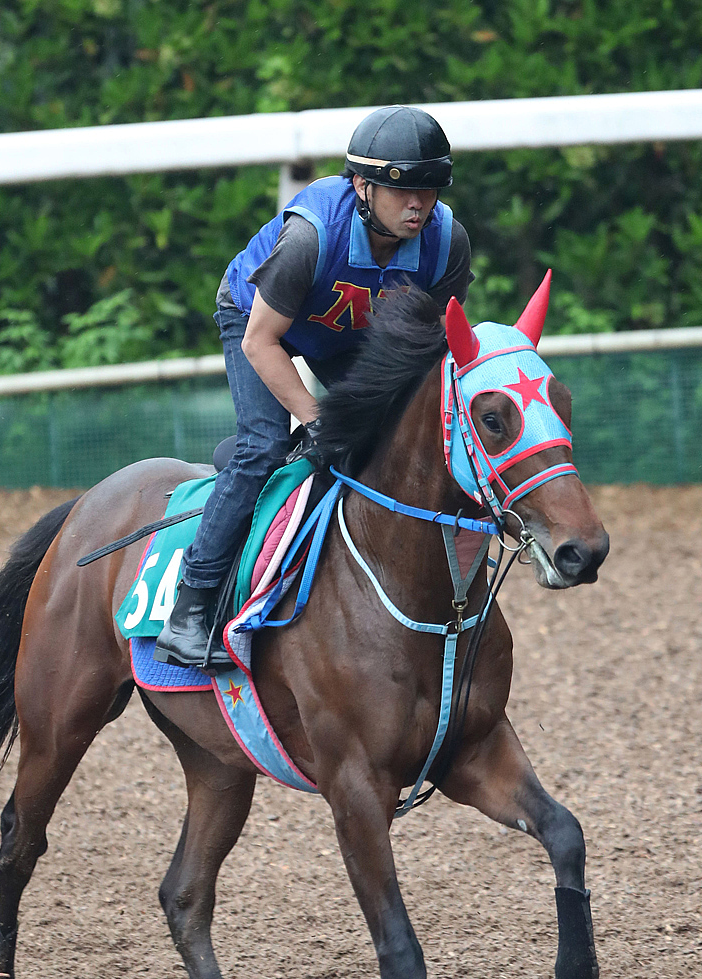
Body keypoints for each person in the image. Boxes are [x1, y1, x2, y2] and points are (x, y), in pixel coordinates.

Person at [155, 104, 473, 670]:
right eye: (402, 191)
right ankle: (192, 608)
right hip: (260, 322)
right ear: (361, 187)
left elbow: (424, 357)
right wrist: (313, 416)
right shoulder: (310, 237)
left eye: (429, 189)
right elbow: (260, 343)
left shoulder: (447, 245)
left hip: (347, 334)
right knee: (263, 447)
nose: (418, 205)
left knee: (384, 442)